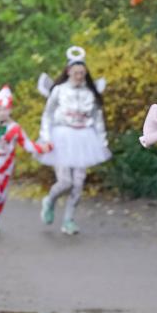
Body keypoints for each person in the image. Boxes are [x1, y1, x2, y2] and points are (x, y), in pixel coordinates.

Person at [36, 46, 112, 235]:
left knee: (78, 183)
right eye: (76, 72)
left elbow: (98, 119)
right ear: (69, 71)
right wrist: (46, 138)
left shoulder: (90, 94)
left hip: (84, 139)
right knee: (65, 181)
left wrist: (102, 142)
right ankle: (50, 201)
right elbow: (47, 115)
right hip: (61, 137)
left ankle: (68, 220)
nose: (79, 76)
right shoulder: (59, 90)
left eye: (82, 73)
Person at [0, 85, 51, 234]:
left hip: (6, 166)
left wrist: (43, 148)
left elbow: (27, 144)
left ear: (10, 110)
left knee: (1, 195)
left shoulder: (15, 128)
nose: (2, 113)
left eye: (5, 110)